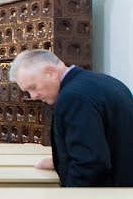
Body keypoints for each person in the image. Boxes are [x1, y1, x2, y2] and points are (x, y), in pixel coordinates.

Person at [10, 49, 133, 187]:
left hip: (107, 198)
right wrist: (59, 161)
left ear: (51, 72)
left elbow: (90, 164)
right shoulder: (104, 82)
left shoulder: (73, 98)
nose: (33, 96)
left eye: (33, 87)